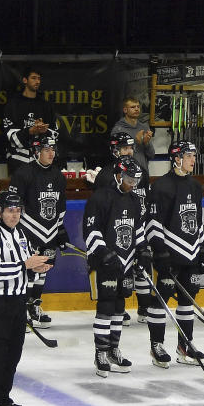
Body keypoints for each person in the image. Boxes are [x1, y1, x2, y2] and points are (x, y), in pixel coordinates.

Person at [0, 191, 50, 406]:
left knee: (13, 351)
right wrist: (25, 264)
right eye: (10, 210)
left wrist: (36, 268)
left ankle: (2, 396)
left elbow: (25, 263)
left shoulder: (22, 234)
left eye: (18, 211)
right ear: (0, 211)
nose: (14, 215)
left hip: (17, 300)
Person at [144, 140, 204, 367]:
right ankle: (156, 346)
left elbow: (198, 221)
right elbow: (152, 223)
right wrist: (159, 251)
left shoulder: (196, 186)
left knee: (187, 300)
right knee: (160, 299)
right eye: (189, 155)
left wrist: (203, 248)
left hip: (190, 253)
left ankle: (185, 345)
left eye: (193, 155)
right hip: (169, 253)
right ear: (177, 158)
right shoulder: (161, 186)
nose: (193, 159)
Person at [83, 155, 145, 377]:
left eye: (136, 180)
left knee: (120, 307)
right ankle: (100, 352)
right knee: (106, 306)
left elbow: (137, 230)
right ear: (118, 175)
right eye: (129, 178)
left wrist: (142, 250)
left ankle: (113, 349)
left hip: (125, 263)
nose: (132, 184)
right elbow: (90, 231)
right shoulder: (100, 198)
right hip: (104, 263)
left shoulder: (135, 200)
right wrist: (105, 254)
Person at [8, 134, 67, 329]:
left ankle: (34, 306)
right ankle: (21, 309)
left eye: (53, 149)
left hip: (49, 232)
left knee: (43, 269)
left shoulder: (58, 175)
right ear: (36, 152)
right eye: (46, 150)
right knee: (29, 271)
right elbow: (12, 205)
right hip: (28, 231)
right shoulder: (23, 173)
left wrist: (60, 229)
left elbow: (61, 206)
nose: (51, 153)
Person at [2, 66, 57, 174]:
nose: (37, 81)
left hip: (41, 159)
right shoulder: (12, 105)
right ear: (25, 80)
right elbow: (9, 136)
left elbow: (55, 134)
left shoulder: (46, 106)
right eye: (33, 78)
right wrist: (30, 131)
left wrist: (43, 130)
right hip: (18, 158)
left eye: (39, 79)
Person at [110, 96, 155, 172]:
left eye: (138, 107)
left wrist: (146, 143)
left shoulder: (144, 127)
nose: (136, 109)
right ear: (125, 110)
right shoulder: (118, 130)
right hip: (126, 173)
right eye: (133, 107)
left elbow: (151, 155)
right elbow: (116, 155)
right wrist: (136, 142)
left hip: (143, 172)